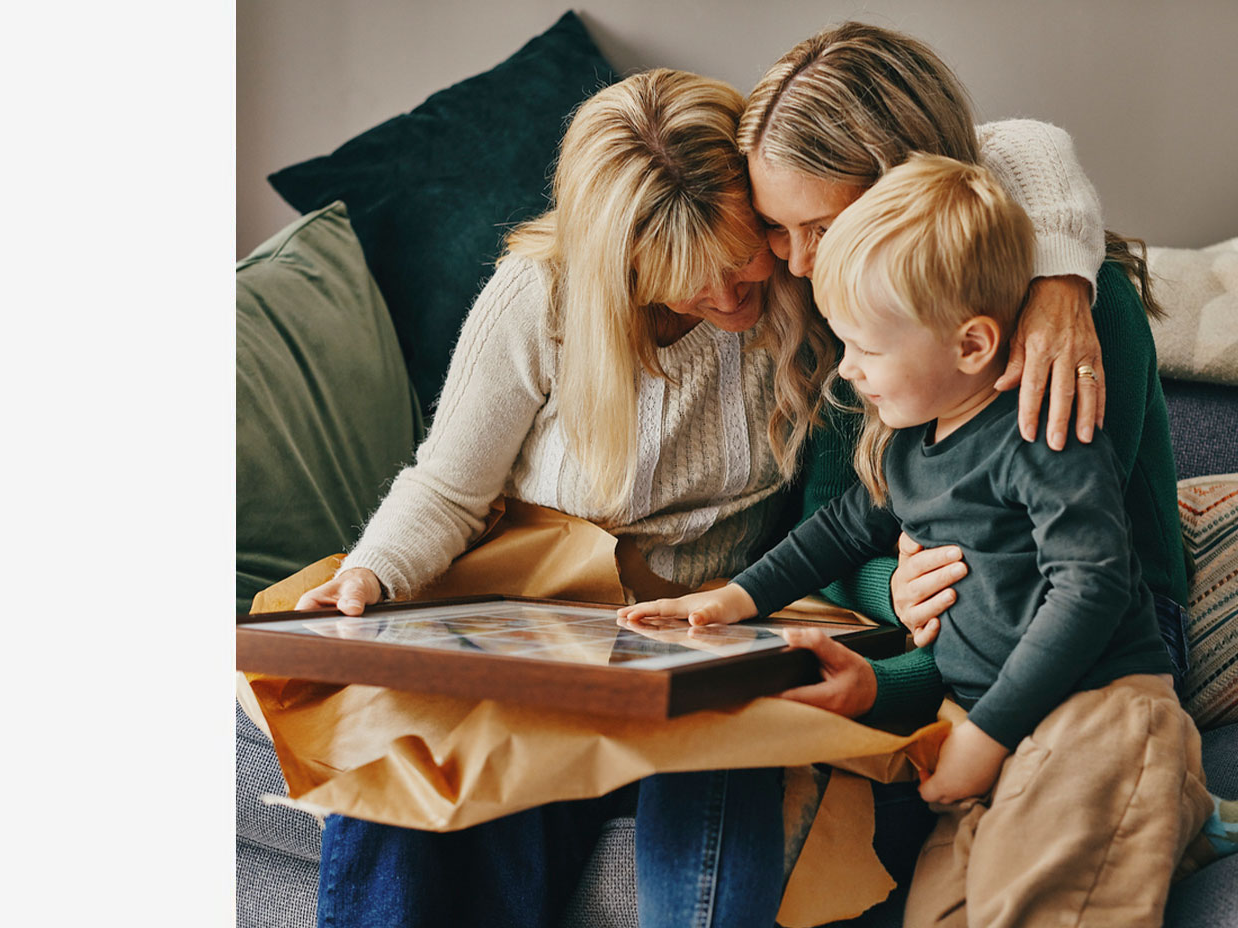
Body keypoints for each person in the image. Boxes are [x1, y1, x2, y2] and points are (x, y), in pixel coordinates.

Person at [296, 68, 836, 928]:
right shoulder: (540, 294)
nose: (734, 297)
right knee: (404, 775)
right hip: (535, 614)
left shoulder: (803, 272)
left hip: (701, 638)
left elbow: (983, 166)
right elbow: (447, 485)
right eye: (693, 279)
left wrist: (1065, 279)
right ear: (620, 262)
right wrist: (373, 572)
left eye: (745, 262)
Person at [620, 153, 1217, 926]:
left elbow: (1093, 586)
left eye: (866, 351)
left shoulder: (1043, 432)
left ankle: (1160, 796)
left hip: (1092, 717)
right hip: (986, 729)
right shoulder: (908, 444)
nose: (848, 375)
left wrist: (988, 735)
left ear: (971, 346)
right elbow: (838, 529)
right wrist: (732, 600)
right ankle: (1172, 819)